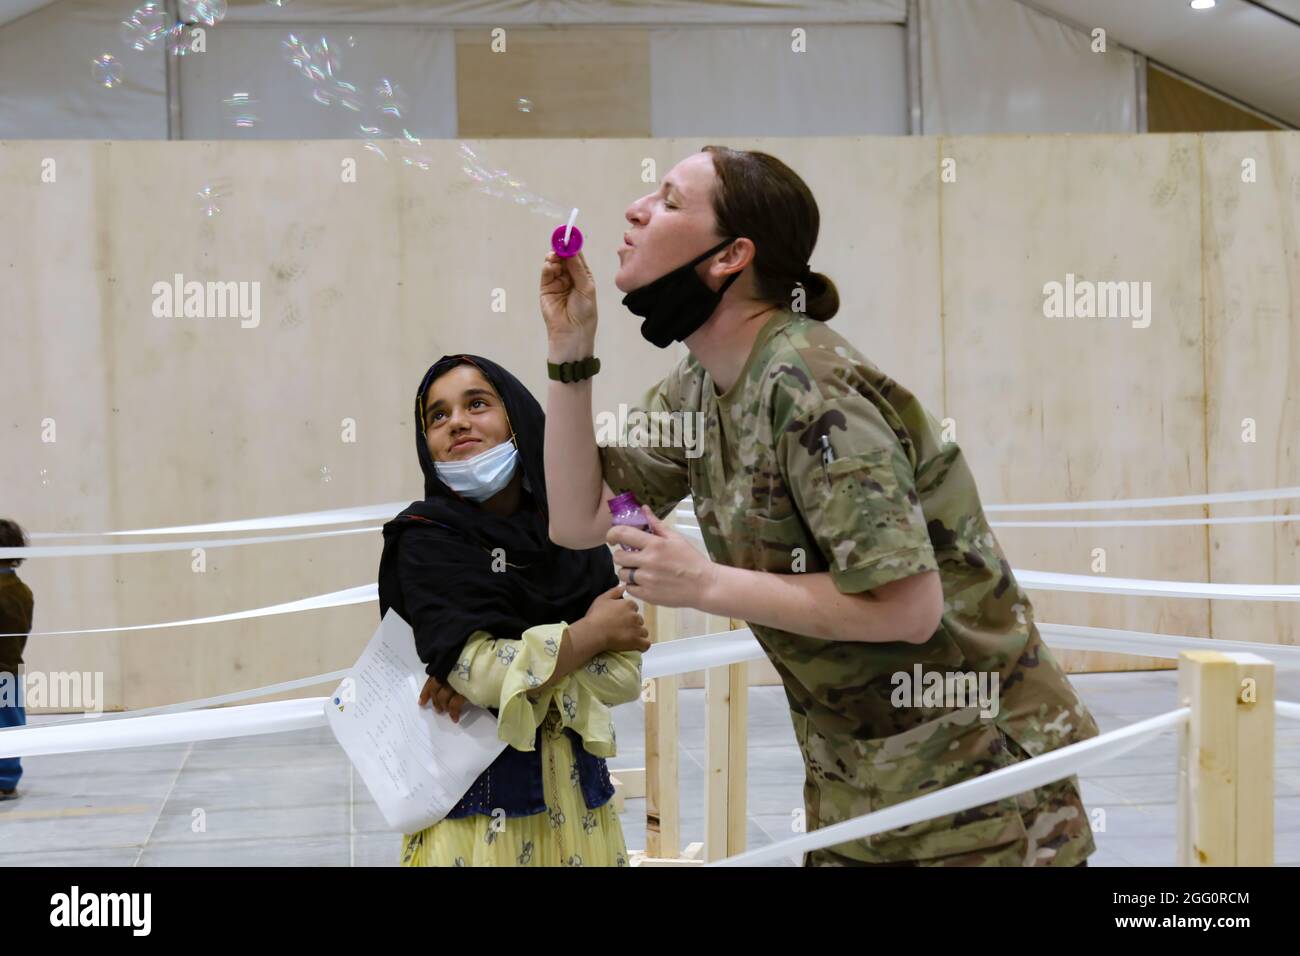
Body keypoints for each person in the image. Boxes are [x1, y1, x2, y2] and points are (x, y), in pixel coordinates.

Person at [539, 146, 1099, 867]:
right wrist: (570, 352)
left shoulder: (809, 384)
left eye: (671, 200)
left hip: (974, 784)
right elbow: (578, 518)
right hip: (860, 779)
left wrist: (704, 583)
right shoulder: (699, 387)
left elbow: (908, 607)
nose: (635, 209)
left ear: (729, 257)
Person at [376, 354, 649, 866]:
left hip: (580, 804)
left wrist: (518, 673)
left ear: (517, 418)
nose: (456, 421)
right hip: (479, 819)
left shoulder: (571, 530)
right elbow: (477, 674)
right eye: (437, 416)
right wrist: (588, 636)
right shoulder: (427, 540)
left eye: (476, 403)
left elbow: (624, 678)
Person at [0, 518, 34, 800]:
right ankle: (6, 778)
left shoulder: (7, 590)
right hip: (10, 668)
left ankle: (4, 779)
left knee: (7, 723)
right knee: (10, 721)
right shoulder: (21, 590)